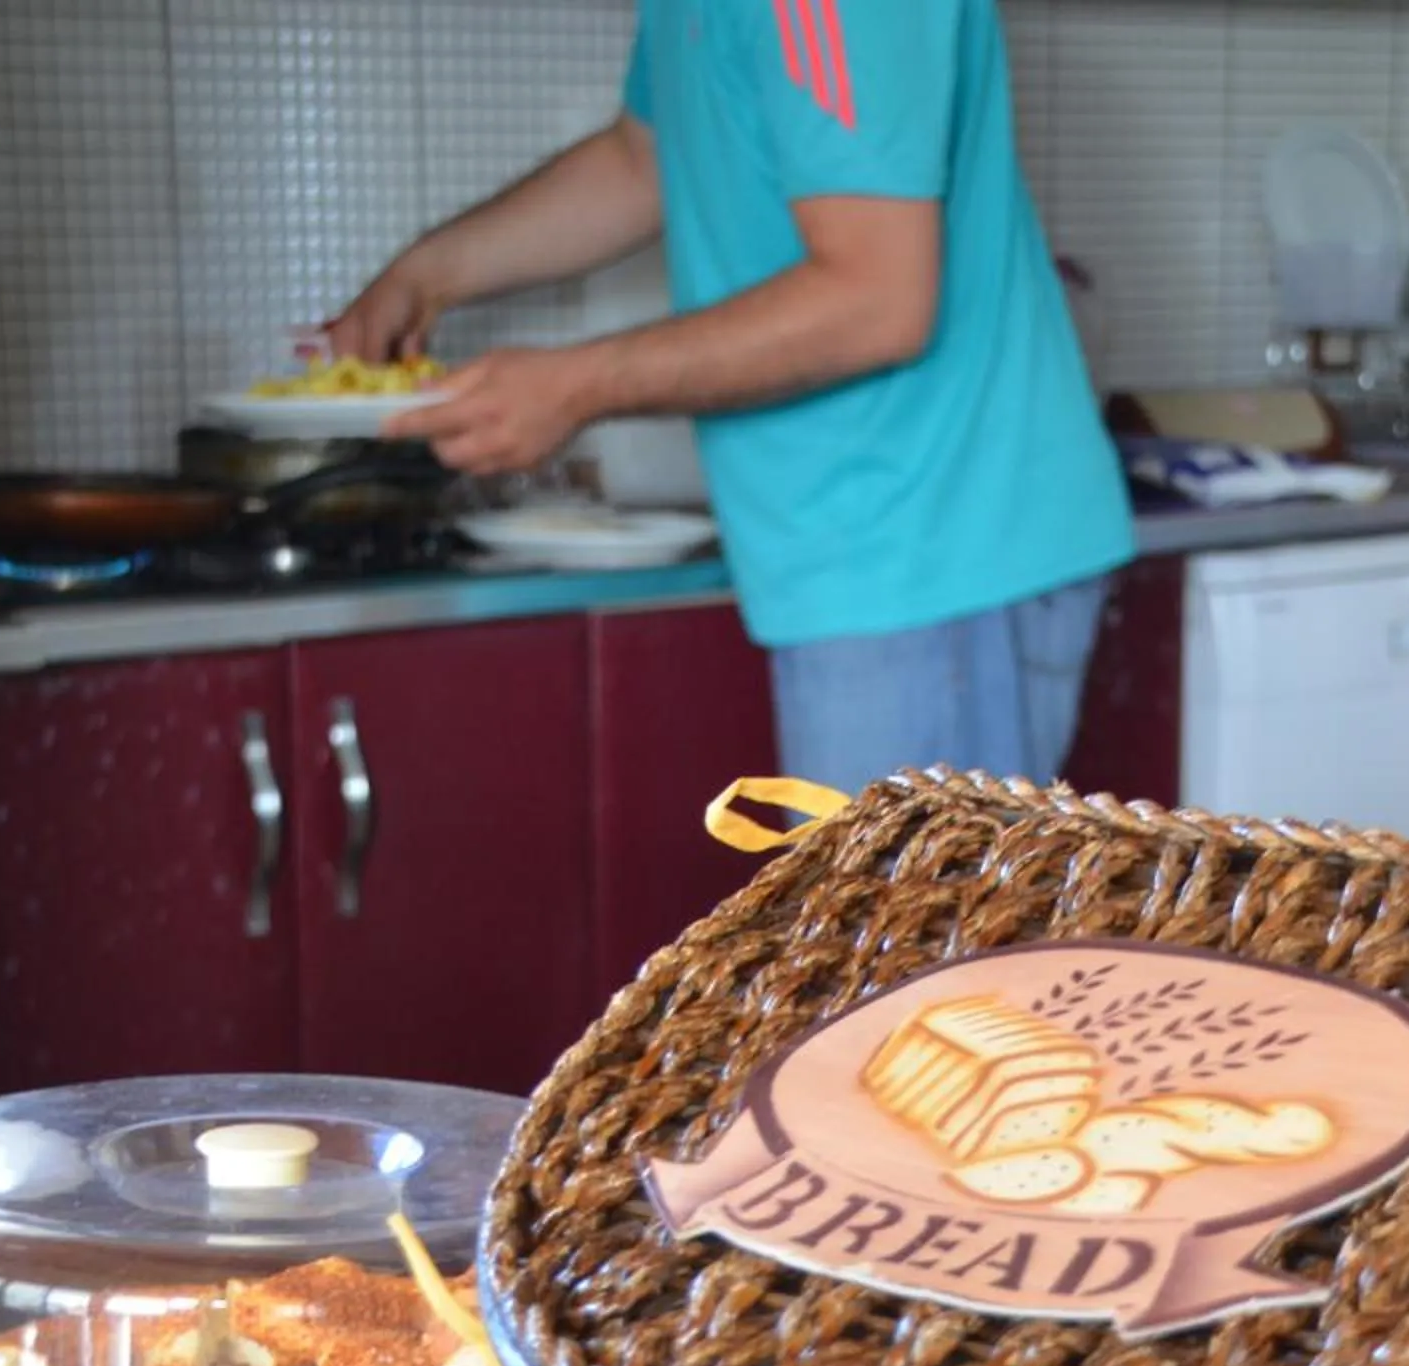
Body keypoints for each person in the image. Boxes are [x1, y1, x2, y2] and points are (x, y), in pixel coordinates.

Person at [326, 0, 1131, 796]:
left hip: (936, 554)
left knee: (907, 930)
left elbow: (877, 298)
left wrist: (571, 388)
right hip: (863, 555)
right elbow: (641, 160)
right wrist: (428, 274)